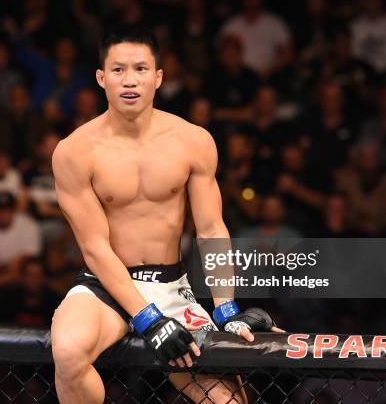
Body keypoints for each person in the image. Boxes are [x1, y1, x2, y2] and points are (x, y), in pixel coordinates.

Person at [51, 25, 282, 404]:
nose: (130, 81)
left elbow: (210, 228)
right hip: (106, 286)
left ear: (158, 77)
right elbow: (94, 246)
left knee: (225, 400)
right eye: (118, 70)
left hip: (172, 285)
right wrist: (148, 319)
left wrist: (225, 308)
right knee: (68, 351)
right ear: (101, 77)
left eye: (141, 69)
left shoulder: (192, 141)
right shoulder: (74, 152)